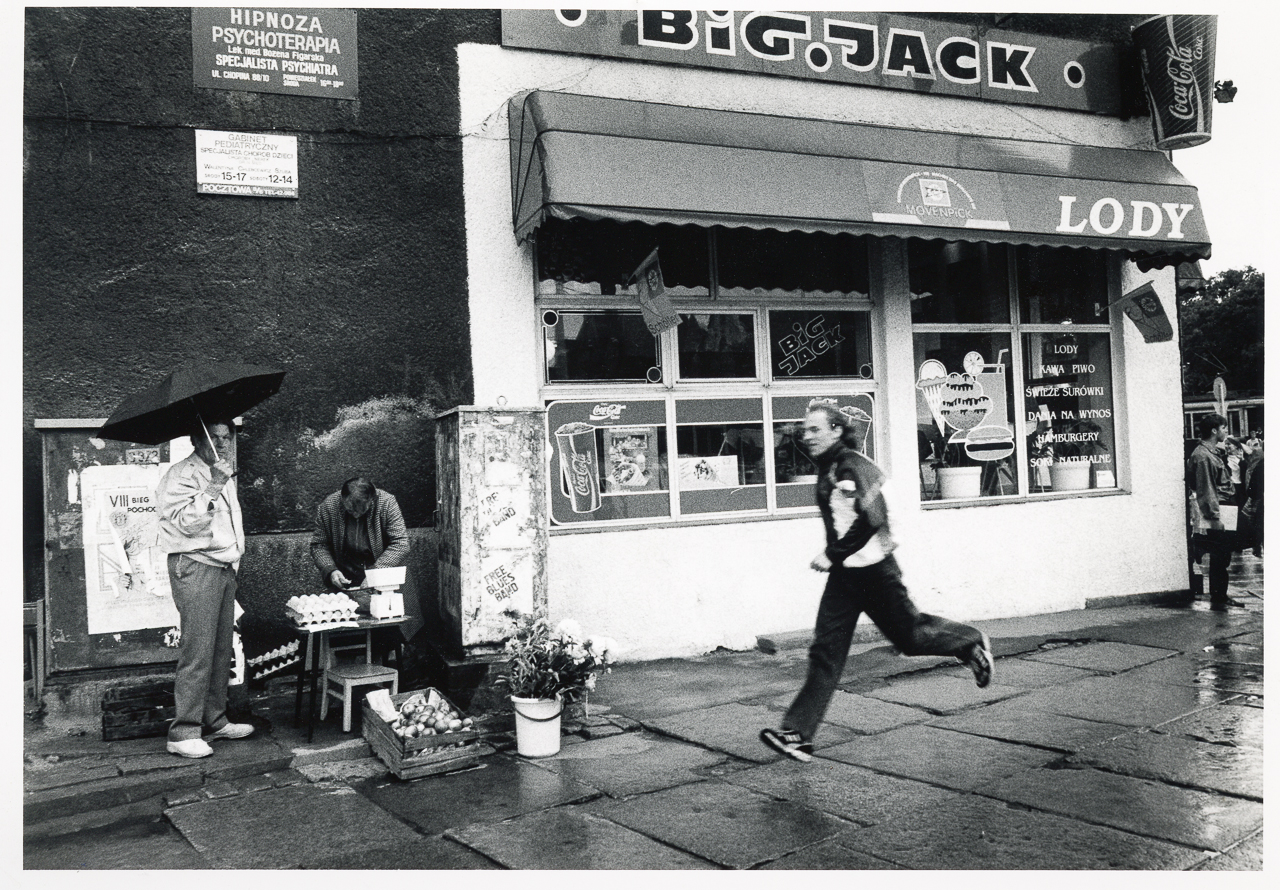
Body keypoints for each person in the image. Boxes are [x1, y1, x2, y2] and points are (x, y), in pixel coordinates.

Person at [760, 401, 994, 762]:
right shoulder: (831, 467)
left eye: (814, 430)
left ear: (836, 430)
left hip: (874, 572)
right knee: (825, 651)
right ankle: (798, 735)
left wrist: (833, 554)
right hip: (845, 578)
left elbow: (871, 518)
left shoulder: (852, 465)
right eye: (804, 430)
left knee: (911, 638)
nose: (806, 437)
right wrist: (839, 559)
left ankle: (969, 642)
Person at [156, 419, 254, 758]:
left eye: (227, 436)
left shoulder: (219, 471)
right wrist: (212, 486)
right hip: (196, 565)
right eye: (215, 437)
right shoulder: (182, 475)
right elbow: (186, 522)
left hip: (222, 566)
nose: (223, 443)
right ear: (196, 438)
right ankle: (183, 732)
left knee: (219, 648)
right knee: (197, 650)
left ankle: (214, 719)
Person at [310, 477, 423, 640]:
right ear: (342, 499)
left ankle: (391, 660)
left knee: (393, 632)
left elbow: (401, 543)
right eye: (350, 511)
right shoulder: (329, 506)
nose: (355, 516)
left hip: (383, 574)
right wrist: (331, 570)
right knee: (346, 630)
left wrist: (375, 573)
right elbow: (319, 545)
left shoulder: (387, 502)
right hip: (347, 575)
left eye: (361, 511)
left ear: (372, 499)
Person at [1187, 413, 1242, 609]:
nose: (1226, 431)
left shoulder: (1210, 453)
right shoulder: (1203, 456)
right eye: (1223, 428)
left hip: (1224, 506)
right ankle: (1219, 596)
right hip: (1219, 508)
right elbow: (1206, 488)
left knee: (1224, 552)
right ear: (1214, 430)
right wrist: (1214, 516)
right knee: (1220, 553)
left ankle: (1220, 594)